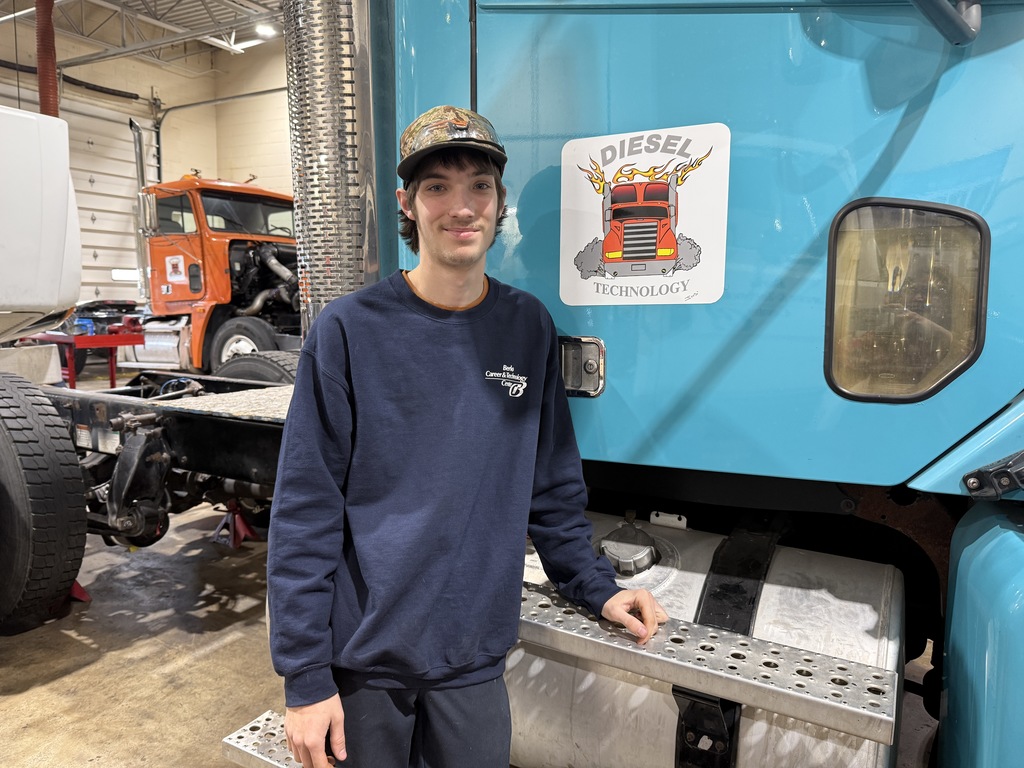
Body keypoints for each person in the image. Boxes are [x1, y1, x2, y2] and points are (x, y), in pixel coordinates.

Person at [267, 104, 667, 768]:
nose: (461, 205)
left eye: (479, 185)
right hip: (364, 660)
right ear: (409, 203)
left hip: (472, 655)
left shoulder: (527, 326)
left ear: (499, 200)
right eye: (437, 187)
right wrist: (305, 679)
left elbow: (551, 485)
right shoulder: (348, 331)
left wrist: (596, 585)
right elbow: (305, 511)